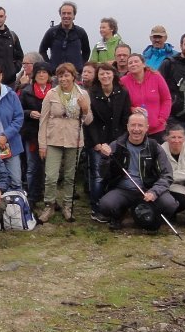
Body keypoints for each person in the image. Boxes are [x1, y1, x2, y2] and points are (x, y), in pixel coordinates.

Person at [97, 112, 177, 232]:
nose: (136, 129)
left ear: (146, 128)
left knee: (170, 204)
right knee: (105, 205)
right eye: (133, 125)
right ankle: (119, 215)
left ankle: (149, 216)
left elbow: (167, 175)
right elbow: (102, 174)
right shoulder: (116, 145)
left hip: (148, 190)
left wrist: (154, 192)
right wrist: (104, 158)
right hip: (123, 190)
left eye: (140, 125)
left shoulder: (154, 147)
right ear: (127, 127)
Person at [37, 62, 92, 223]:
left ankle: (67, 205)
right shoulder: (51, 94)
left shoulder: (82, 94)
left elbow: (88, 121)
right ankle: (49, 205)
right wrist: (42, 144)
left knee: (70, 176)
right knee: (51, 176)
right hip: (53, 139)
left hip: (74, 140)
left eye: (66, 75)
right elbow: (43, 120)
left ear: (73, 77)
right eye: (60, 76)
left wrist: (85, 108)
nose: (63, 79)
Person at [85, 62, 131, 222]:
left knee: (116, 175)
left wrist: (118, 143)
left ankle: (114, 207)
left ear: (114, 75)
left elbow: (126, 119)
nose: (105, 76)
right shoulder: (90, 93)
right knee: (98, 176)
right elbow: (89, 122)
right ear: (97, 77)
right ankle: (96, 208)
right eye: (101, 74)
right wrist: (97, 143)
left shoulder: (123, 93)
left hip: (117, 141)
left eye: (108, 73)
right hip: (97, 141)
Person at [19, 61, 53, 208]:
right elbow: (18, 111)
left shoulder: (55, 91)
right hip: (32, 134)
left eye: (44, 72)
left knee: (50, 168)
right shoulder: (26, 91)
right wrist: (29, 113)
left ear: (49, 75)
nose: (41, 75)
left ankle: (49, 197)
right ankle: (32, 196)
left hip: (52, 134)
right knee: (32, 166)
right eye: (39, 72)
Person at [122, 53, 172, 141]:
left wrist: (161, 119)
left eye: (136, 61)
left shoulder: (156, 77)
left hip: (157, 129)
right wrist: (132, 109)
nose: (133, 64)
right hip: (135, 130)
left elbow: (166, 99)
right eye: (130, 63)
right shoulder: (123, 81)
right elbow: (121, 103)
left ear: (143, 64)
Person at [39, 1, 90, 74]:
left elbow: (86, 52)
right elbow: (42, 50)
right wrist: (49, 65)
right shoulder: (52, 32)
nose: (66, 16)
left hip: (76, 75)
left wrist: (81, 65)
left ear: (74, 16)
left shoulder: (80, 32)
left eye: (69, 13)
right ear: (60, 15)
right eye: (63, 13)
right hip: (55, 74)